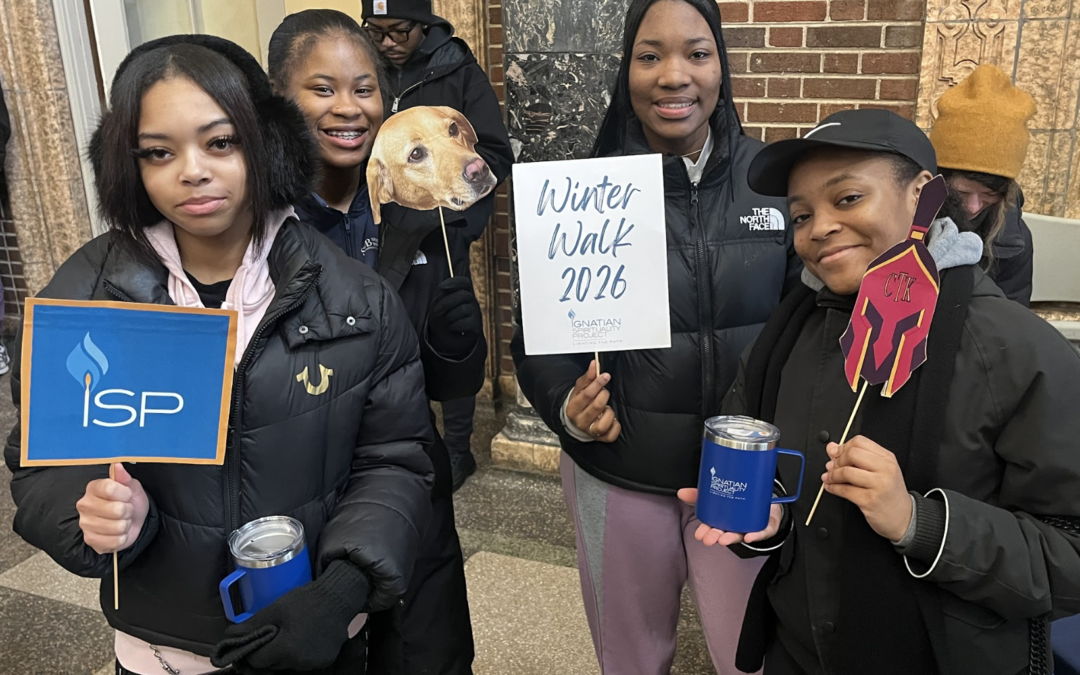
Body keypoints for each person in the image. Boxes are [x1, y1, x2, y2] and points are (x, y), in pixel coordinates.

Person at [4, 34, 435, 675]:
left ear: (266, 142)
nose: (192, 170)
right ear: (130, 164)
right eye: (158, 152)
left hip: (313, 635)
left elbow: (395, 461)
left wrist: (341, 588)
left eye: (220, 142)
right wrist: (89, 509)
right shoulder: (86, 299)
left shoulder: (356, 298)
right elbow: (40, 461)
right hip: (160, 646)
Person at [681, 108, 1080, 675]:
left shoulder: (1014, 351)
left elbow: (1069, 555)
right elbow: (772, 473)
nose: (818, 228)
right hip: (796, 652)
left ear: (922, 195)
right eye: (800, 215)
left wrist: (918, 522)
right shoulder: (786, 335)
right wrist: (767, 520)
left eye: (846, 199)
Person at [511, 0, 801, 672]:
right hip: (620, 470)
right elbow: (538, 337)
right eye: (650, 56)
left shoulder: (775, 184)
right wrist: (566, 408)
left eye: (697, 53)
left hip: (741, 477)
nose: (674, 75)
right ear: (627, 71)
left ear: (721, 66)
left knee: (749, 653)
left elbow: (806, 322)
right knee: (632, 656)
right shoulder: (581, 192)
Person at [268, 10, 478, 675]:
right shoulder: (258, 226)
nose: (348, 107)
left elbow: (452, 382)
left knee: (428, 654)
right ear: (278, 100)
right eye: (322, 88)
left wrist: (455, 321)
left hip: (411, 489)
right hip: (306, 495)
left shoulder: (416, 207)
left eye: (364, 88)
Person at [361, 0, 514, 490]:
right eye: (375, 31)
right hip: (381, 238)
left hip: (443, 234)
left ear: (423, 25)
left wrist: (456, 223)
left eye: (398, 30)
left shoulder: (457, 70)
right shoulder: (363, 74)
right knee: (393, 341)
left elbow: (490, 153)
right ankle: (411, 445)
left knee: (454, 332)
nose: (386, 42)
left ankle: (457, 447)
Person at [931, 64, 1036, 306]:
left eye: (989, 194)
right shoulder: (902, 217)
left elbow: (1013, 315)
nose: (973, 206)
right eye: (962, 192)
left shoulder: (1015, 240)